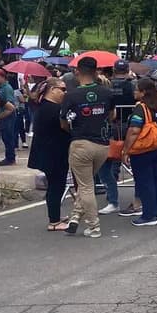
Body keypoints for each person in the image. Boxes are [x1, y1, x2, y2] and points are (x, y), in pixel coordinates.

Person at [60, 57, 114, 238]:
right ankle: (75, 217)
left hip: (81, 144)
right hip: (103, 145)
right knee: (87, 182)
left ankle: (94, 226)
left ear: (77, 72)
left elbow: (63, 122)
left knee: (85, 187)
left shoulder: (71, 95)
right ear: (96, 71)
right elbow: (112, 115)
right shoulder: (107, 92)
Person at [121, 77, 157, 226]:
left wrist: (126, 150)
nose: (134, 92)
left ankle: (148, 215)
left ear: (143, 92)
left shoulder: (141, 108)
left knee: (145, 181)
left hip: (143, 149)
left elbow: (134, 130)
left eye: (136, 90)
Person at [28, 77, 72, 231]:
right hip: (53, 153)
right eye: (62, 89)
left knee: (56, 185)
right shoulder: (52, 108)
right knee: (56, 186)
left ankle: (56, 216)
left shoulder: (45, 106)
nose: (65, 93)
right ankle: (54, 221)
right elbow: (64, 127)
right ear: (52, 90)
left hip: (51, 151)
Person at [99, 60, 135, 215]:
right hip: (130, 125)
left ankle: (111, 197)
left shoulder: (107, 86)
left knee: (111, 159)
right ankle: (140, 198)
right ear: (127, 70)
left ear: (114, 70)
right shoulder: (132, 86)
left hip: (110, 125)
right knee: (135, 161)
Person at [0, 68, 17, 166]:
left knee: (8, 137)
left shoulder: (7, 88)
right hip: (2, 116)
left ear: (3, 77)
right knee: (5, 137)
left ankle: (10, 158)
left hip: (7, 116)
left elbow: (11, 106)